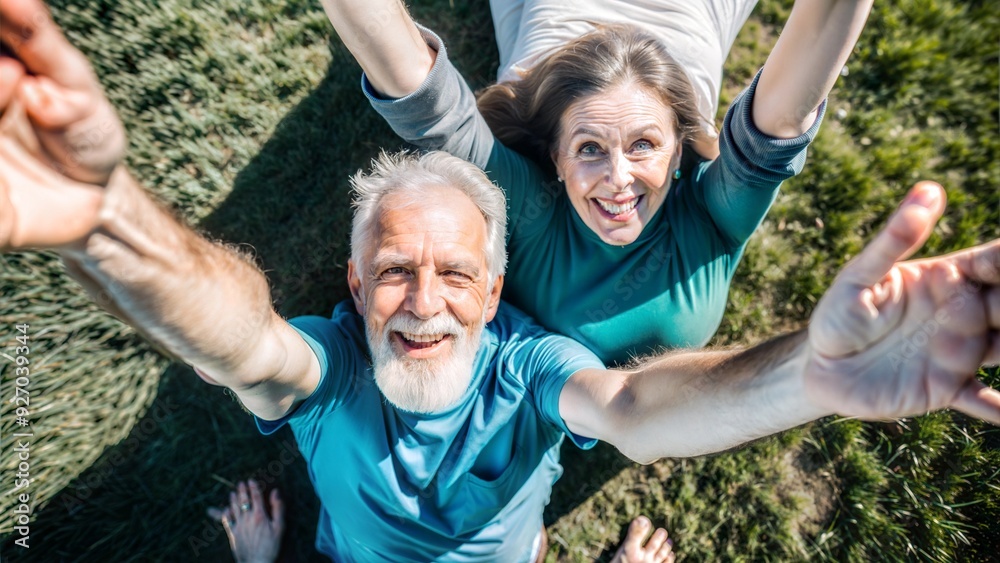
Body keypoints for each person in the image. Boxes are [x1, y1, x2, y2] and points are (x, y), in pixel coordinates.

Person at [3, 1, 999, 561]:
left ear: (496, 292)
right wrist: (110, 222)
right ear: (351, 288)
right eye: (395, 271)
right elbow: (240, 338)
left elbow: (634, 406)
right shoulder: (333, 372)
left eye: (453, 272)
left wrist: (807, 382)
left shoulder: (527, 359)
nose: (426, 298)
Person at [322, 0, 874, 364]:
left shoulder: (710, 211)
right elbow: (432, 110)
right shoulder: (536, 206)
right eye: (589, 150)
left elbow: (776, 130)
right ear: (555, 160)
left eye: (644, 145)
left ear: (679, 150)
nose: (618, 180)